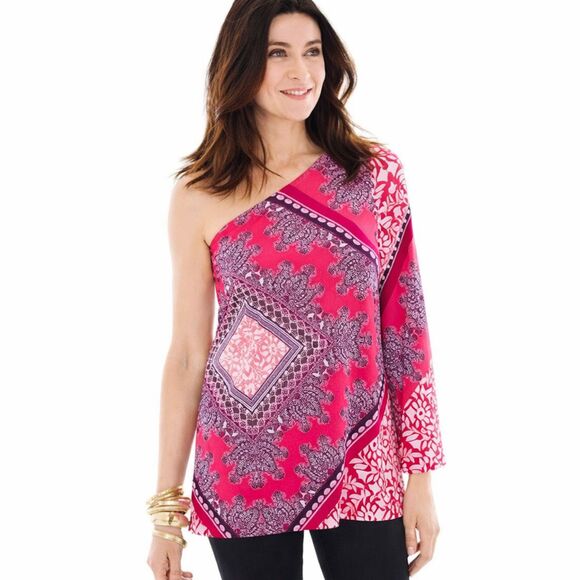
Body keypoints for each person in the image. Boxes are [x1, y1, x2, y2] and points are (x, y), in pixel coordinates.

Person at [146, 1, 447, 579]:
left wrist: (421, 476)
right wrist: (165, 515)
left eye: (312, 52)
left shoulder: (373, 174)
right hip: (245, 461)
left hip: (362, 454)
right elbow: (187, 354)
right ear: (240, 66)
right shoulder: (200, 192)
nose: (301, 72)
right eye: (277, 54)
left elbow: (405, 329)